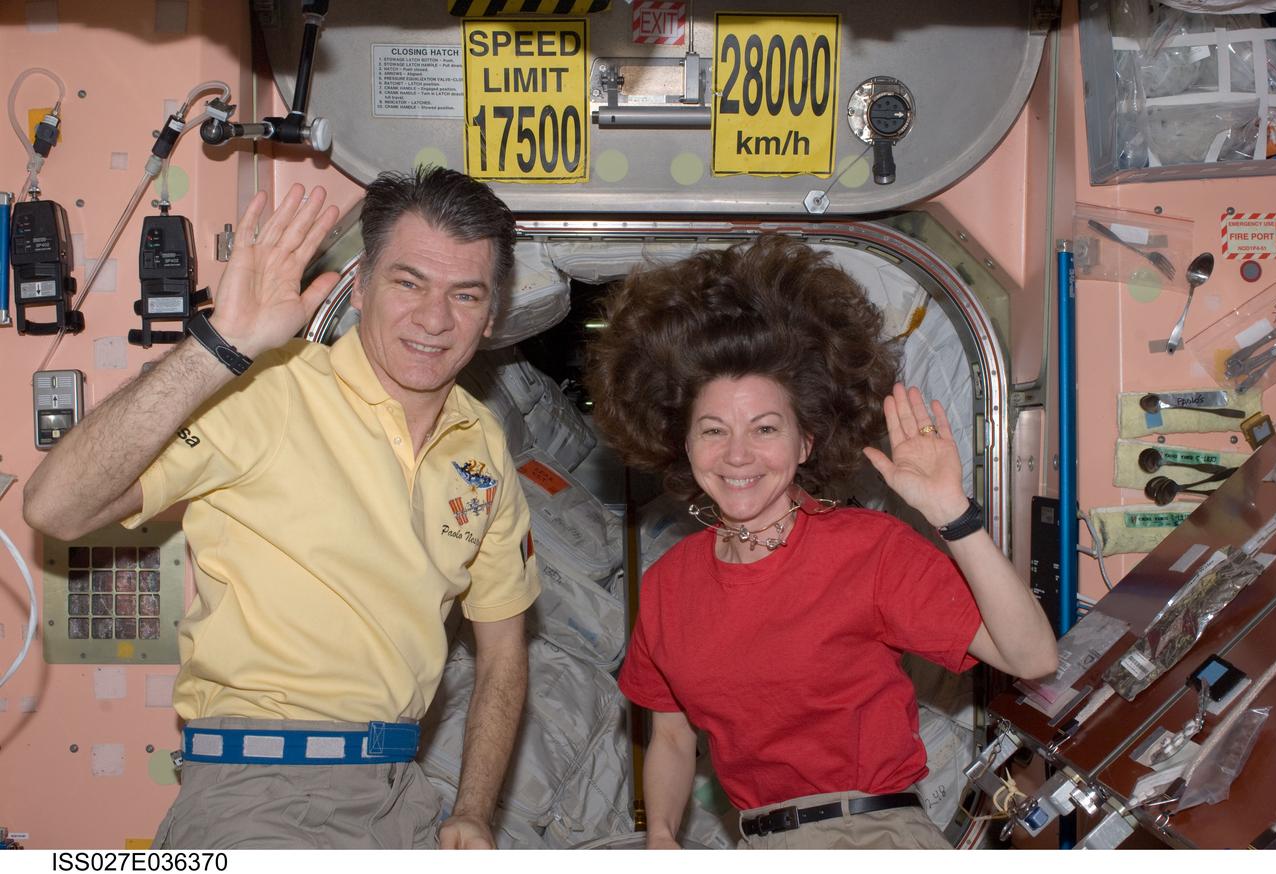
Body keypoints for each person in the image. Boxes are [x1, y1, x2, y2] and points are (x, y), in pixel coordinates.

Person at [23, 167, 540, 849]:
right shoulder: (268, 391)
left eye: (464, 294)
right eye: (408, 282)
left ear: (493, 313)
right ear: (360, 285)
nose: (434, 319)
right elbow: (54, 507)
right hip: (261, 791)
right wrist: (218, 346)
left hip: (400, 796)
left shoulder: (482, 447)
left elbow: (505, 654)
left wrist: (473, 809)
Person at [585, 234, 1058, 850]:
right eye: (712, 430)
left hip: (874, 836)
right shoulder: (669, 585)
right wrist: (663, 838)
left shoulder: (869, 551)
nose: (737, 455)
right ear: (684, 444)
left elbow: (1033, 659)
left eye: (765, 428)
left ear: (805, 442)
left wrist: (953, 513)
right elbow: (672, 738)